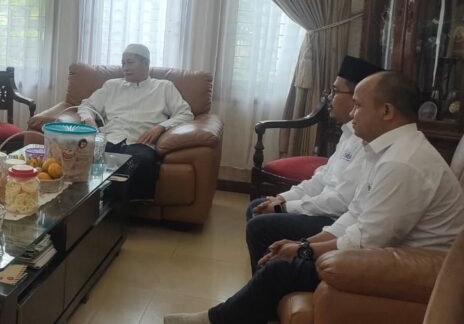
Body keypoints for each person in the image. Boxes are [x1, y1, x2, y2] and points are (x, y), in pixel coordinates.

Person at [165, 71, 464, 324]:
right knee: (281, 255)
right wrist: (304, 244)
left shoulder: (403, 163)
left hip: (410, 270)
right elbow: (355, 215)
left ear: (386, 111)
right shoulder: (386, 151)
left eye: (359, 106)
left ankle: (215, 320)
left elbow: (367, 240)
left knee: (281, 268)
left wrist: (303, 250)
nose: (352, 114)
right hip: (384, 251)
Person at [245, 56, 383, 270]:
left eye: (335, 91)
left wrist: (282, 207)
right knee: (257, 207)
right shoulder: (348, 133)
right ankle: (266, 274)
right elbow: (322, 178)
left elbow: (341, 202)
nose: (329, 98)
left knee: (259, 224)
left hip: (331, 219)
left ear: (355, 97)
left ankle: (272, 274)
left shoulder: (366, 142)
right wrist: (283, 198)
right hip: (323, 208)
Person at [77, 43, 193, 200]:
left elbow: (185, 114)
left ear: (146, 63)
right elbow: (86, 106)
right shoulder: (112, 86)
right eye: (123, 63)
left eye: (130, 63)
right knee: (81, 153)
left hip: (140, 143)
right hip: (110, 139)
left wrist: (161, 127)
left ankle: (118, 204)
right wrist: (89, 119)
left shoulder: (164, 87)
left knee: (140, 162)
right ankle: (96, 202)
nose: (125, 68)